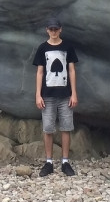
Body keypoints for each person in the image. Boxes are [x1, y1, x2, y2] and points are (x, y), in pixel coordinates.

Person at [33, 17, 78, 176]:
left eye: (56, 29)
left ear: (60, 30)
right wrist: (38, 94)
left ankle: (65, 161)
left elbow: (71, 70)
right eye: (50, 29)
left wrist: (74, 93)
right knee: (48, 128)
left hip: (65, 94)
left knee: (66, 127)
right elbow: (39, 72)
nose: (53, 32)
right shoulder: (42, 48)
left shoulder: (67, 47)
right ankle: (49, 162)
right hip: (48, 95)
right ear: (47, 30)